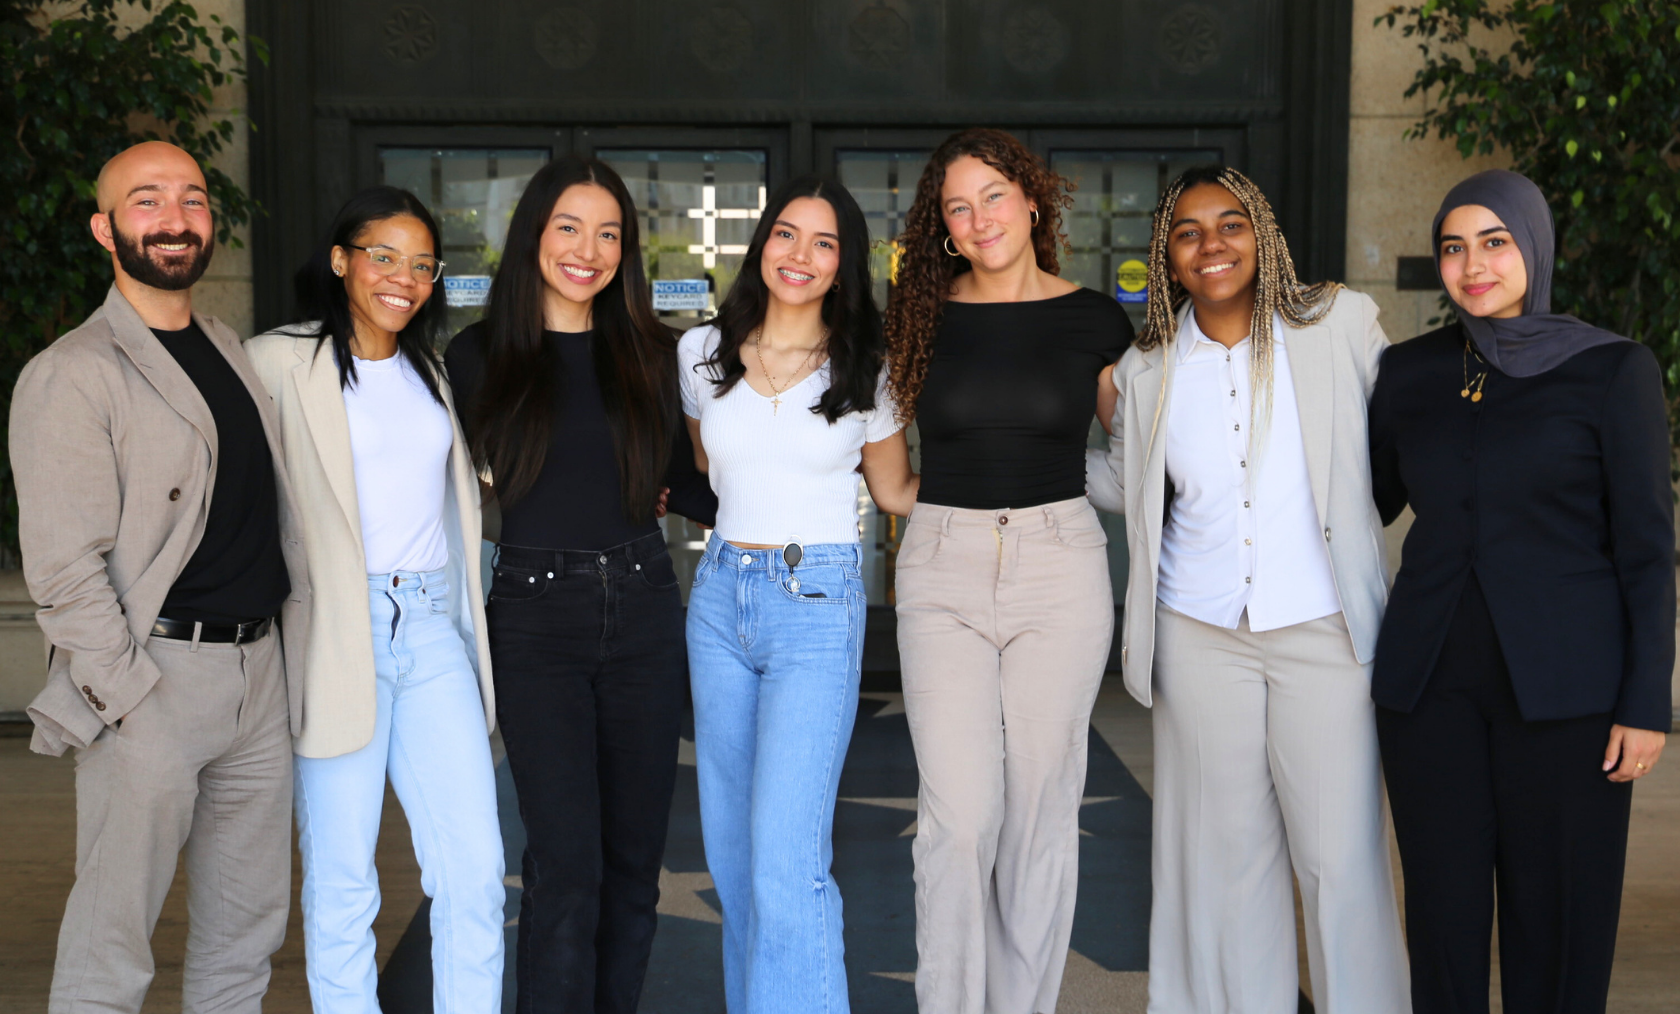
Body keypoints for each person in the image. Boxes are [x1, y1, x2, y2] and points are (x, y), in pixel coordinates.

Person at [1085, 164, 1408, 1012]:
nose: (1211, 244)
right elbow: (1125, 487)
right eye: (1188, 232)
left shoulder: (1339, 322)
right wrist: (1043, 443)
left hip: (1327, 631)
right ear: (1168, 256)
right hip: (1199, 635)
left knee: (1341, 859)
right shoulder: (1145, 368)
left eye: (1230, 224)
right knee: (1222, 861)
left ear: (1261, 232)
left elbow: (1402, 442)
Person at [10, 140, 310, 1014]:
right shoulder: (73, 371)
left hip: (258, 680)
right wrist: (127, 692)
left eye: (191, 200)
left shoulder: (223, 345)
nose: (174, 219)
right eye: (147, 201)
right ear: (105, 228)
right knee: (111, 949)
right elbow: (63, 567)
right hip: (154, 679)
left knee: (244, 938)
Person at [1369, 169, 1671, 1013]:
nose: (1474, 266)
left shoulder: (1613, 370)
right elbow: (1359, 501)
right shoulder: (1411, 371)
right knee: (1443, 916)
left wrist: (1647, 701)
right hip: (1428, 688)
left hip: (1571, 693)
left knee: (1561, 920)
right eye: (1454, 247)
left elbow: (1647, 548)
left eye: (1495, 242)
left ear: (1533, 246)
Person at [444, 155, 716, 1014]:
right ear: (532, 235)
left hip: (641, 608)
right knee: (565, 866)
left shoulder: (654, 353)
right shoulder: (480, 355)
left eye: (609, 234)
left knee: (635, 869)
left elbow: (696, 485)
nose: (588, 250)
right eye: (569, 227)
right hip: (533, 619)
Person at [881, 127, 1131, 1014]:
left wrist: (1058, 495)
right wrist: (943, 502)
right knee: (958, 823)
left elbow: (1133, 454)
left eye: (994, 195)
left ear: (1033, 200)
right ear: (941, 225)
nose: (979, 217)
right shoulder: (917, 313)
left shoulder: (1096, 317)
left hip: (1059, 572)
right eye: (958, 205)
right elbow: (886, 464)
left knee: (1038, 820)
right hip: (942, 570)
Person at [244, 186, 505, 1013]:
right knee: (343, 882)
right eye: (383, 256)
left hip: (432, 631)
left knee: (474, 873)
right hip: (335, 634)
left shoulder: (433, 371)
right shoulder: (276, 362)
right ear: (340, 260)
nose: (405, 278)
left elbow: (455, 497)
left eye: (423, 264)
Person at [680, 175, 917, 1014]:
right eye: (787, 235)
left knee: (787, 859)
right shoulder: (702, 354)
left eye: (824, 244)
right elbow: (714, 469)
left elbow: (895, 494)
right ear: (762, 244)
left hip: (815, 601)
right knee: (736, 859)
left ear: (844, 265)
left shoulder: (868, 369)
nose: (801, 256)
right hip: (718, 600)